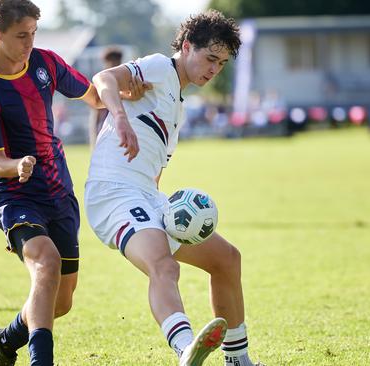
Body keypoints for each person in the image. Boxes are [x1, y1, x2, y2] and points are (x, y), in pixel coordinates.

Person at [0, 1, 146, 365]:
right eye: (20, 36)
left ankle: (4, 340)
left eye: (33, 34)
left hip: (59, 190)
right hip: (14, 194)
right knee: (46, 262)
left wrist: (125, 96)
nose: (29, 43)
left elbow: (93, 96)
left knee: (60, 300)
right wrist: (19, 165)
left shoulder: (45, 63)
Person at [85, 10, 262, 366]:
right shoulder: (160, 68)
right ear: (186, 46)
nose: (214, 69)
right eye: (210, 58)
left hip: (145, 196)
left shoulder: (178, 101)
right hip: (113, 192)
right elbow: (103, 78)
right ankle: (185, 351)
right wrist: (119, 117)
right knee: (164, 267)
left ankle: (238, 361)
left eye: (222, 63)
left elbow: (152, 169)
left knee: (227, 260)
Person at [88, 46, 124, 147]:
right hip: (107, 129)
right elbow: (95, 114)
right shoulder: (100, 83)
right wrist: (94, 140)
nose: (114, 64)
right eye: (111, 62)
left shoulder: (125, 80)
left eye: (116, 61)